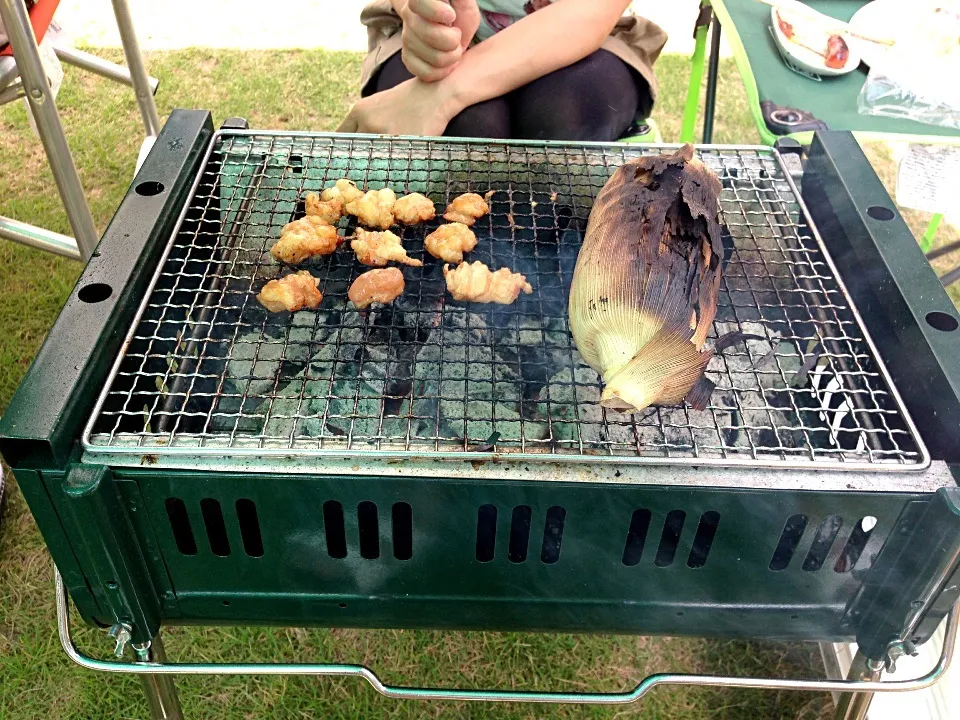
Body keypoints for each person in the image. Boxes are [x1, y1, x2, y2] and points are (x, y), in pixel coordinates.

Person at [338, 0, 667, 141]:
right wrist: (420, 13)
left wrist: (442, 93)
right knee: (469, 127)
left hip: (582, 39)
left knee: (566, 110)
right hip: (448, 32)